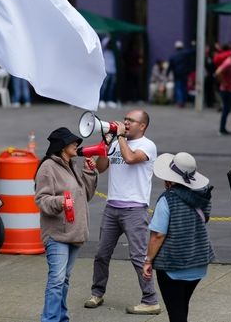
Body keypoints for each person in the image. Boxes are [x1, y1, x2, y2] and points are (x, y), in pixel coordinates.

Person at [85, 109, 161, 315]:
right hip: (112, 207)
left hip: (135, 209)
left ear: (142, 126)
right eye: (125, 119)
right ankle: (97, 293)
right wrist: (106, 145)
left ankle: (150, 299)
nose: (125, 122)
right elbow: (102, 168)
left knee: (138, 256)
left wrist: (119, 136)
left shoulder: (148, 145)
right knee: (101, 254)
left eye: (130, 121)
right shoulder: (117, 143)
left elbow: (129, 158)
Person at [34, 128, 98, 322]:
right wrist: (60, 201)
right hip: (57, 234)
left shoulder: (71, 165)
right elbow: (41, 199)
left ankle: (61, 317)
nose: (76, 145)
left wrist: (90, 171)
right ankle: (51, 319)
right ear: (62, 147)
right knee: (57, 280)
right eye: (72, 142)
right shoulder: (48, 168)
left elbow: (85, 194)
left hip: (74, 232)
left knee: (64, 280)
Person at [142, 152, 213, 322]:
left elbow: (158, 235)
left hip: (173, 266)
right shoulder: (203, 197)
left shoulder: (168, 200)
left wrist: (148, 260)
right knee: (182, 308)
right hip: (198, 263)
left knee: (176, 314)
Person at [169, 41, 195, 108]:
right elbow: (192, 51)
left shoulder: (173, 56)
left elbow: (170, 66)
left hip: (177, 74)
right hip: (184, 73)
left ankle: (180, 102)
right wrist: (193, 44)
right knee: (184, 87)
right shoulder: (185, 53)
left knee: (179, 88)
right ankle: (183, 101)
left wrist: (167, 73)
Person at [99, 36, 118, 109]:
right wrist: (110, 38)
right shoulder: (105, 49)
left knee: (111, 87)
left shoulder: (115, 50)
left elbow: (118, 47)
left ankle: (109, 100)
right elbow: (104, 45)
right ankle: (101, 100)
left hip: (113, 70)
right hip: (106, 70)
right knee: (104, 86)